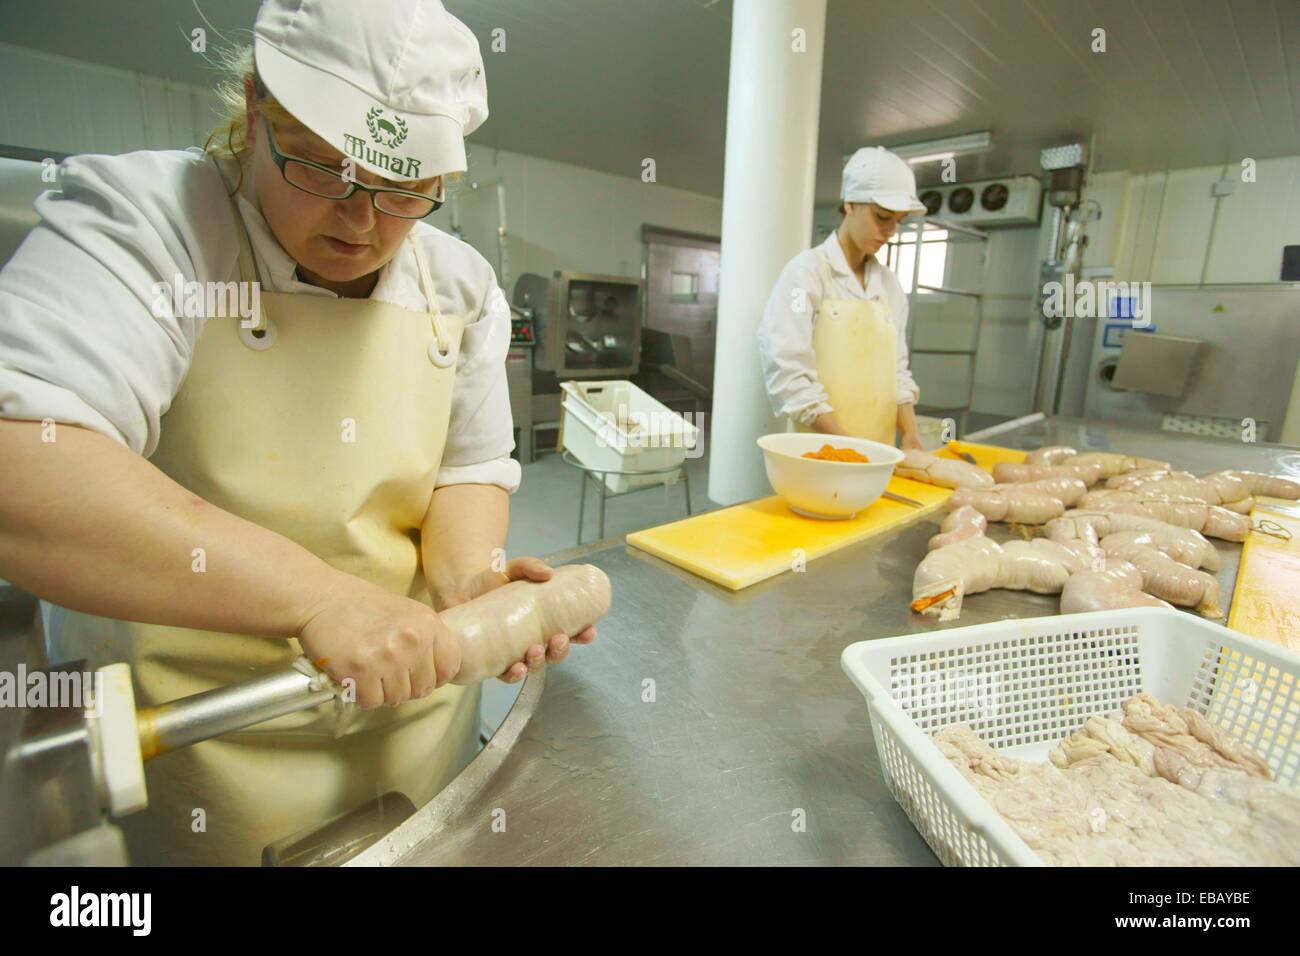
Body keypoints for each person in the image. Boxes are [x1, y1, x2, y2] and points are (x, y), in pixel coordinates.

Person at [0, 0, 595, 865]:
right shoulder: (151, 222)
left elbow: (467, 471)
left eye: (402, 191)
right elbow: (24, 463)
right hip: (196, 741)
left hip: (414, 721)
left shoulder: (460, 286)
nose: (360, 223)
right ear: (255, 109)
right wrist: (319, 600)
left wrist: (473, 585)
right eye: (321, 168)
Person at [758, 146, 926, 449]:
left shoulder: (889, 286)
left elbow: (896, 372)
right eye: (883, 217)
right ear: (849, 204)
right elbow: (789, 377)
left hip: (878, 447)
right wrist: (848, 448)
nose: (891, 231)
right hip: (819, 448)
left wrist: (911, 434)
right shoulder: (806, 274)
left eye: (899, 220)